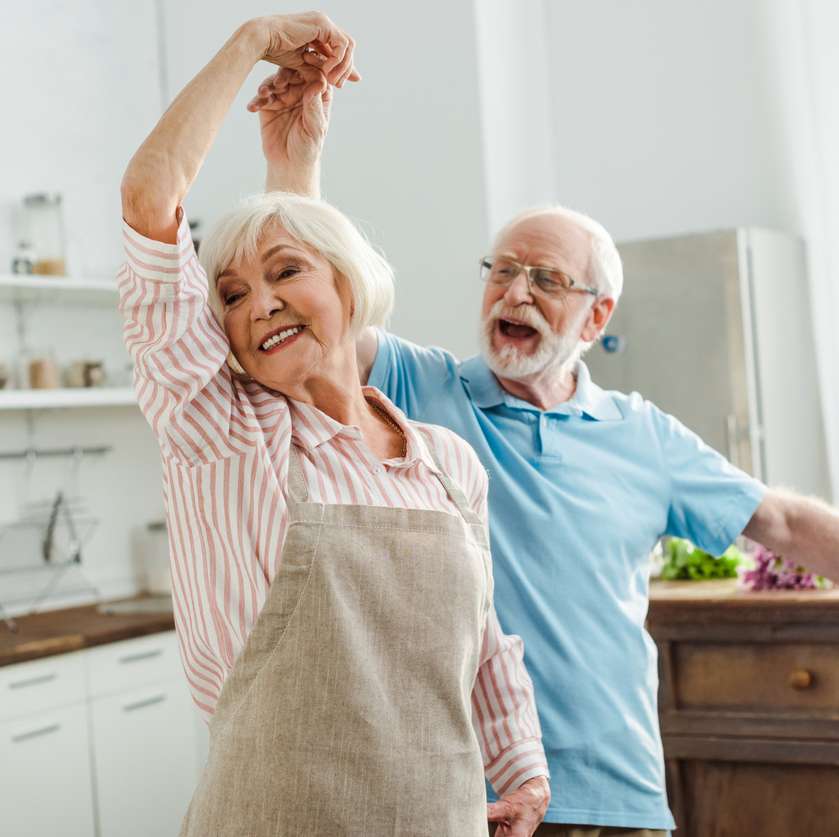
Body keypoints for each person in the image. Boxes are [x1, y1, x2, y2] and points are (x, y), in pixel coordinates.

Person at [251, 51, 839, 837]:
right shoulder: (421, 388)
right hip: (464, 797)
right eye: (502, 271)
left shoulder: (641, 433)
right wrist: (295, 161)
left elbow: (787, 525)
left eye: (546, 279)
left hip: (621, 797)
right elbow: (317, 315)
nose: (514, 292)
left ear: (596, 318)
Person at [119, 13, 550, 837]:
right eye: (232, 297)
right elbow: (150, 198)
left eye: (285, 274)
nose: (260, 303)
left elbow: (484, 646)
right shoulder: (224, 434)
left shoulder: (448, 464)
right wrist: (251, 43)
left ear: (351, 288)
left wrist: (523, 769)